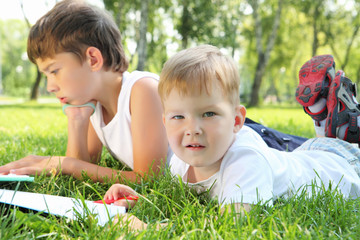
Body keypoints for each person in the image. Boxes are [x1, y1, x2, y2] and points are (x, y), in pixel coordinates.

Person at [104, 45, 360, 229]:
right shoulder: (181, 163)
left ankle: (332, 123)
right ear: (164, 122)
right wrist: (136, 198)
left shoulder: (246, 159)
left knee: (348, 146)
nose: (193, 128)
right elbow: (171, 199)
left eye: (208, 113)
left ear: (237, 120)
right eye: (178, 117)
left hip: (344, 166)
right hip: (306, 153)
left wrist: (148, 230)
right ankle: (324, 118)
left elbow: (231, 226)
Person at [0, 0, 170, 183]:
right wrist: (77, 119)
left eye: (54, 71)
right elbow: (85, 169)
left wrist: (65, 164)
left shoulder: (143, 90)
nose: (50, 87)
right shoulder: (94, 101)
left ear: (93, 59)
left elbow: (148, 178)